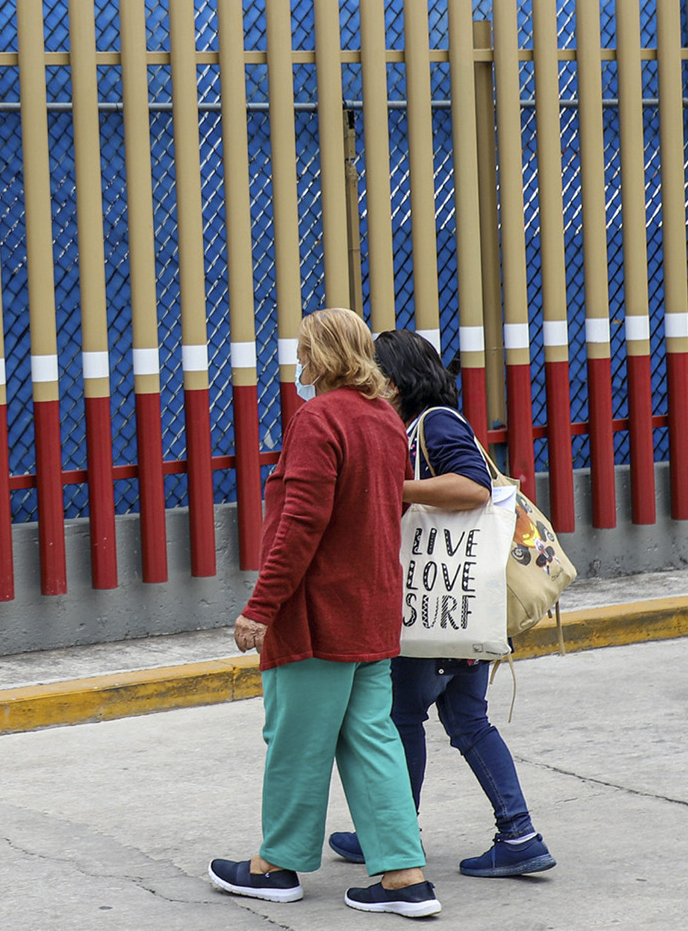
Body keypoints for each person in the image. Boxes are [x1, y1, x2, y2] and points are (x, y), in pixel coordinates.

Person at [209, 308, 442, 919]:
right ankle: (404, 877)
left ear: (326, 355)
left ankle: (274, 866)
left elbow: (300, 525)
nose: (299, 362)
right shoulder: (385, 420)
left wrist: (262, 607)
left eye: (306, 350)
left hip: (317, 613)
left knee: (295, 740)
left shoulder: (319, 419)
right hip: (371, 609)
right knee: (373, 741)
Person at [326, 329, 557, 876]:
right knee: (467, 721)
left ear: (397, 377)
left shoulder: (436, 423)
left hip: (440, 602)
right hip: (458, 606)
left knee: (401, 718)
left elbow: (474, 488)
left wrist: (391, 486)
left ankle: (395, 835)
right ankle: (518, 834)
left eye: (373, 371)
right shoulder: (412, 426)